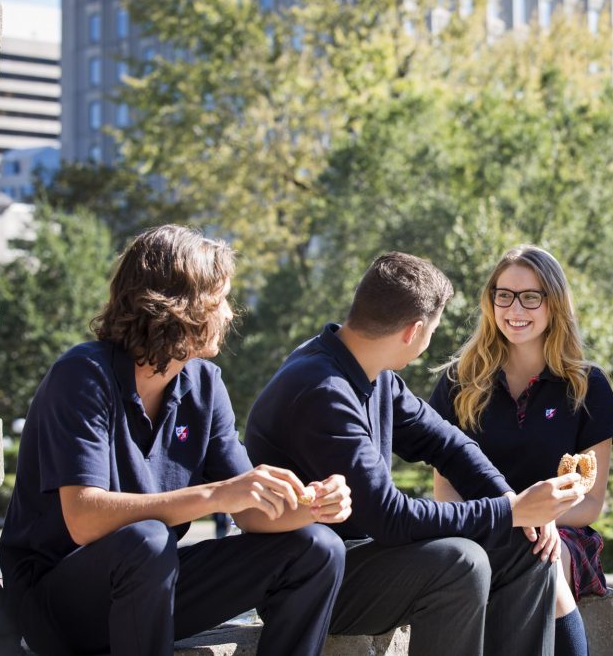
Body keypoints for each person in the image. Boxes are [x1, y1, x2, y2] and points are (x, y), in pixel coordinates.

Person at [0, 225, 352, 656]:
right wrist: (217, 494)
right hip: (58, 605)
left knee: (317, 548)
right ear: (179, 306)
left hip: (147, 585)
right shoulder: (82, 375)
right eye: (219, 300)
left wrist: (311, 505)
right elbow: (84, 519)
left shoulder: (204, 384)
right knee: (146, 539)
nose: (229, 314)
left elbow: (249, 512)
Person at [244, 251, 585, 656]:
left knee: (524, 544)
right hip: (309, 580)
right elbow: (389, 517)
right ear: (414, 331)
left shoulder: (373, 374)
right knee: (461, 562)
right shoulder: (323, 392)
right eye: (433, 331)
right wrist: (510, 511)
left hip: (357, 560)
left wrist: (513, 503)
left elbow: (449, 444)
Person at [428, 246, 613, 656]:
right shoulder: (457, 382)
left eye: (530, 296)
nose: (515, 308)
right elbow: (445, 491)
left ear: (553, 303)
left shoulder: (587, 386)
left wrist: (535, 518)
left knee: (536, 556)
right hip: (481, 525)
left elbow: (589, 502)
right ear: (491, 300)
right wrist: (503, 518)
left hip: (562, 532)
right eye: (505, 295)